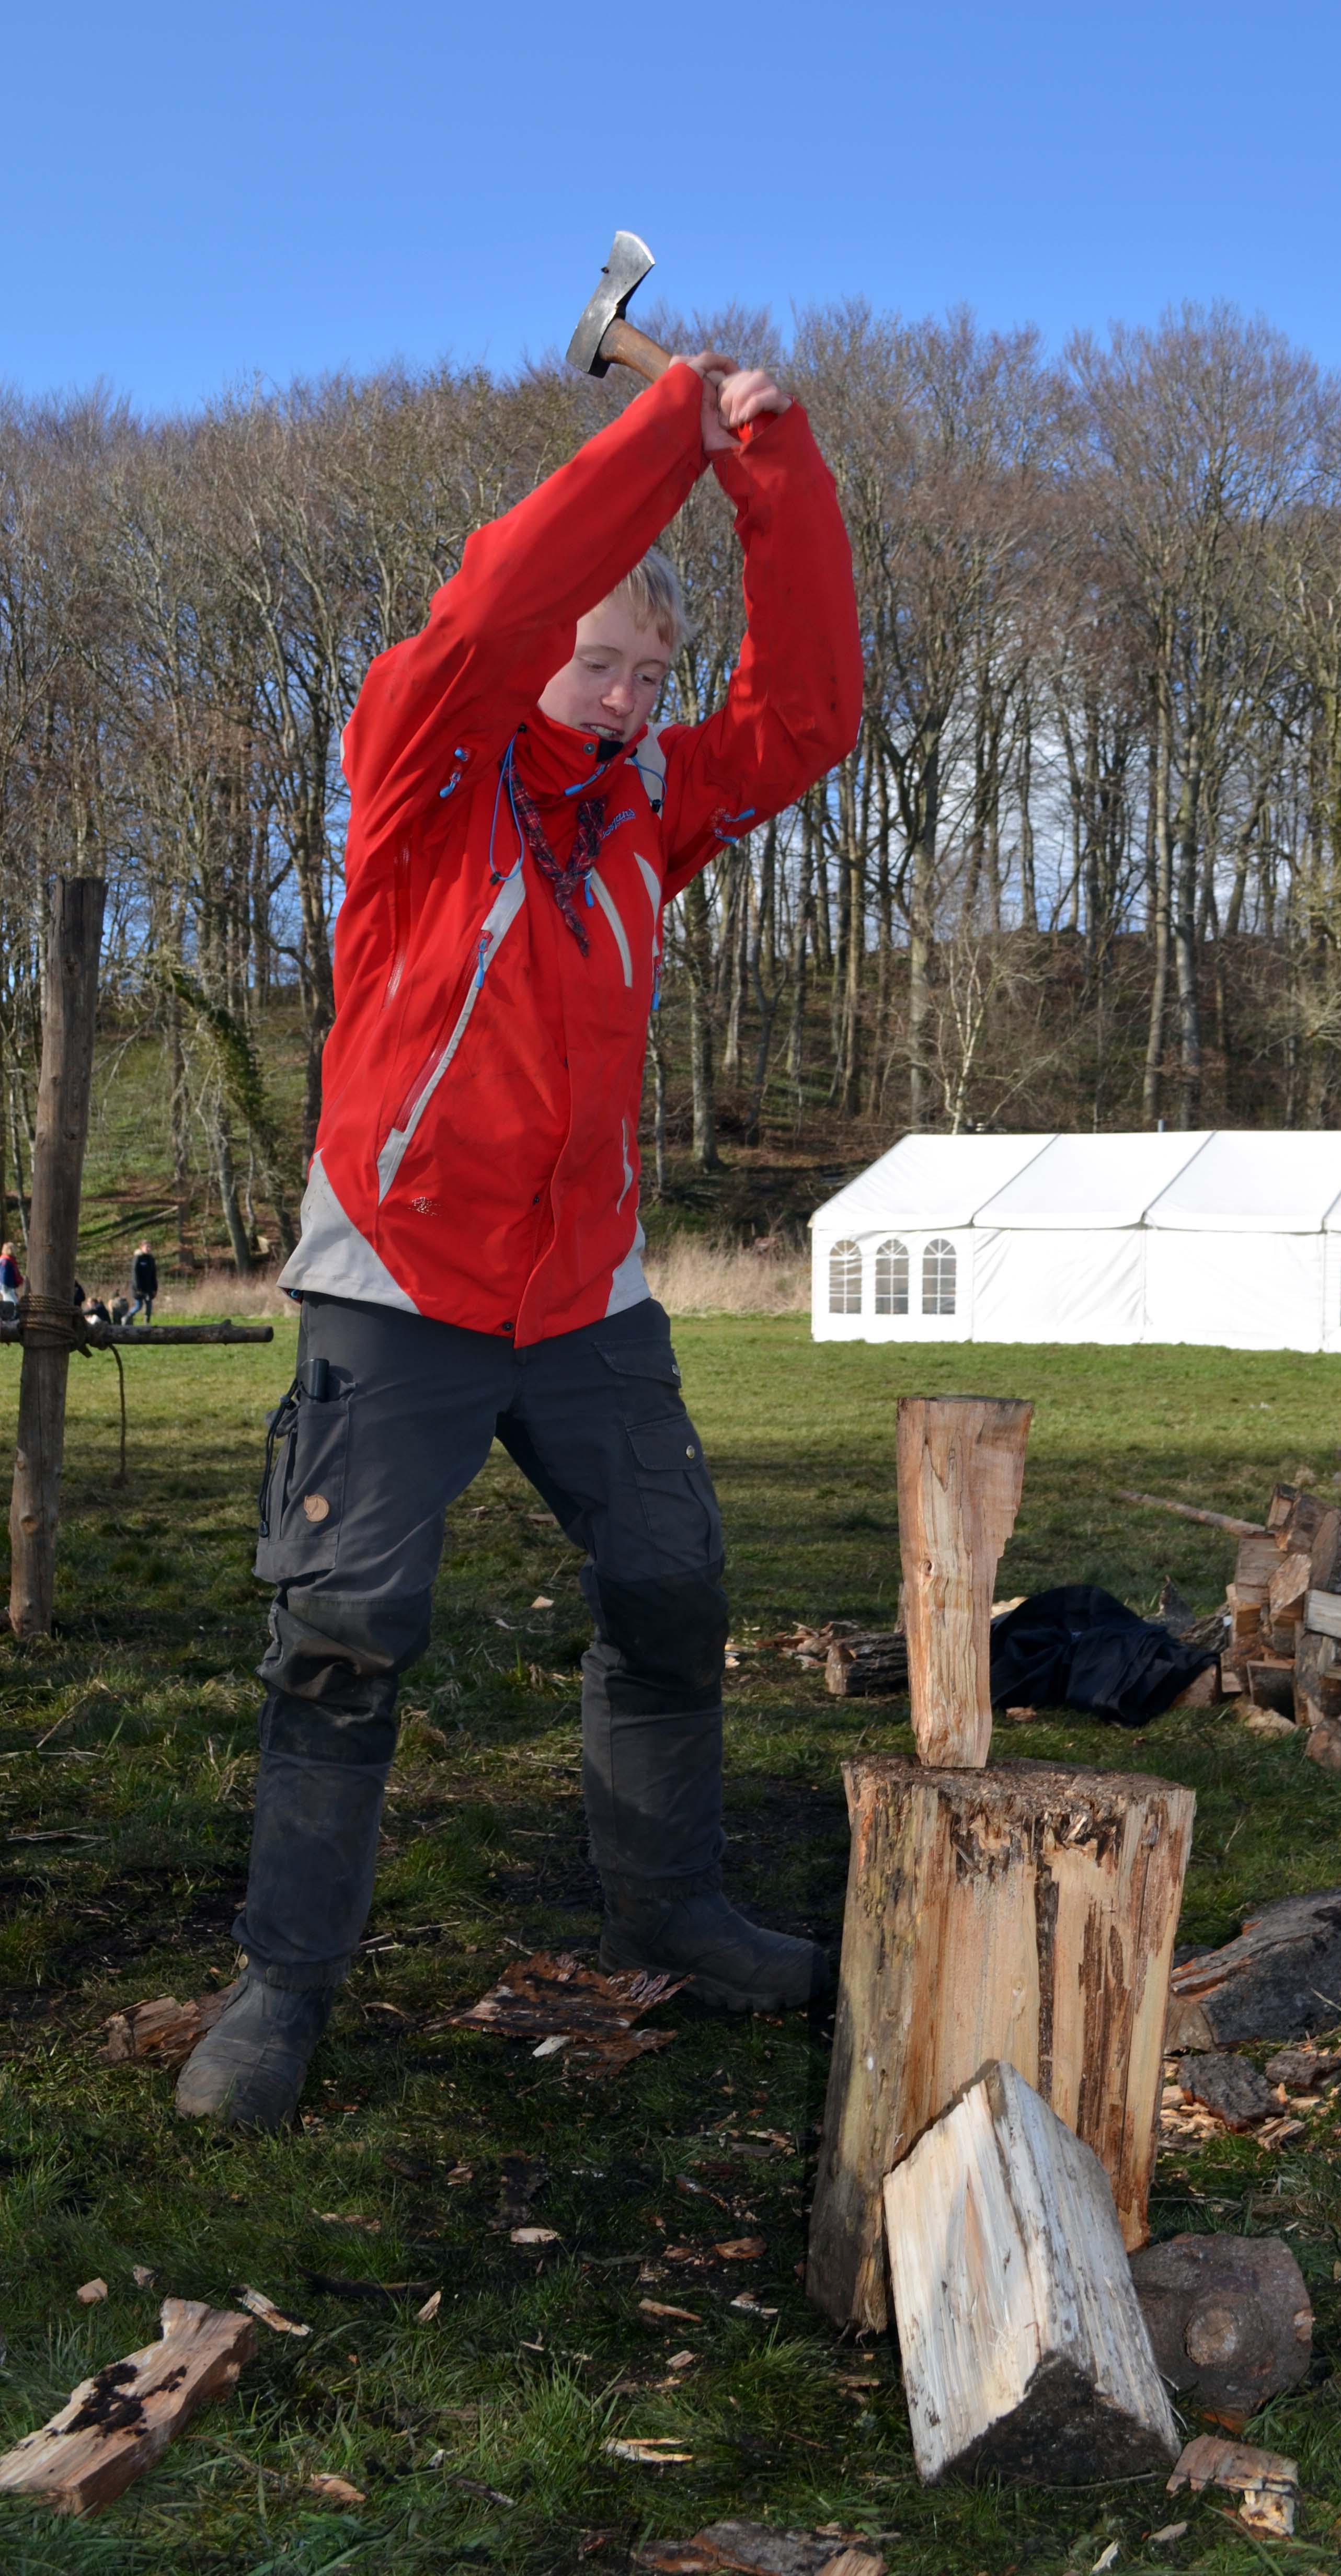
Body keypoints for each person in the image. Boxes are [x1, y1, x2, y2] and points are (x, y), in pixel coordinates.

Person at [175, 347, 862, 2131]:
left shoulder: (644, 810)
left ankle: (673, 1910)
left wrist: (769, 465)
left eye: (652, 673)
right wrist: (666, 426)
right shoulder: (422, 762)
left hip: (584, 1294)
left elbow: (809, 715)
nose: (629, 697)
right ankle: (281, 1984)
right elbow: (491, 610)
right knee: (348, 1621)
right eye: (601, 661)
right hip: (398, 1279)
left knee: (672, 1586)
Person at [131, 1242, 158, 1322]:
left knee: (149, 1306)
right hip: (138, 1288)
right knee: (138, 1306)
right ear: (141, 1248)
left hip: (148, 1288)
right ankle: (127, 1317)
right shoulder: (138, 1258)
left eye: (150, 1247)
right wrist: (138, 1288)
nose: (149, 1249)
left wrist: (155, 1288)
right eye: (147, 1247)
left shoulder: (151, 1259)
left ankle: (147, 1323)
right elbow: (135, 1275)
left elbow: (153, 1275)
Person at [0, 1243, 19, 1320]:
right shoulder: (6, 1261)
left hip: (7, 1285)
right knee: (12, 1303)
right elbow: (4, 1274)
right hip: (6, 1286)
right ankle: (11, 1318)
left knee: (11, 1302)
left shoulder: (6, 1260)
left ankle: (9, 1318)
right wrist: (4, 1285)